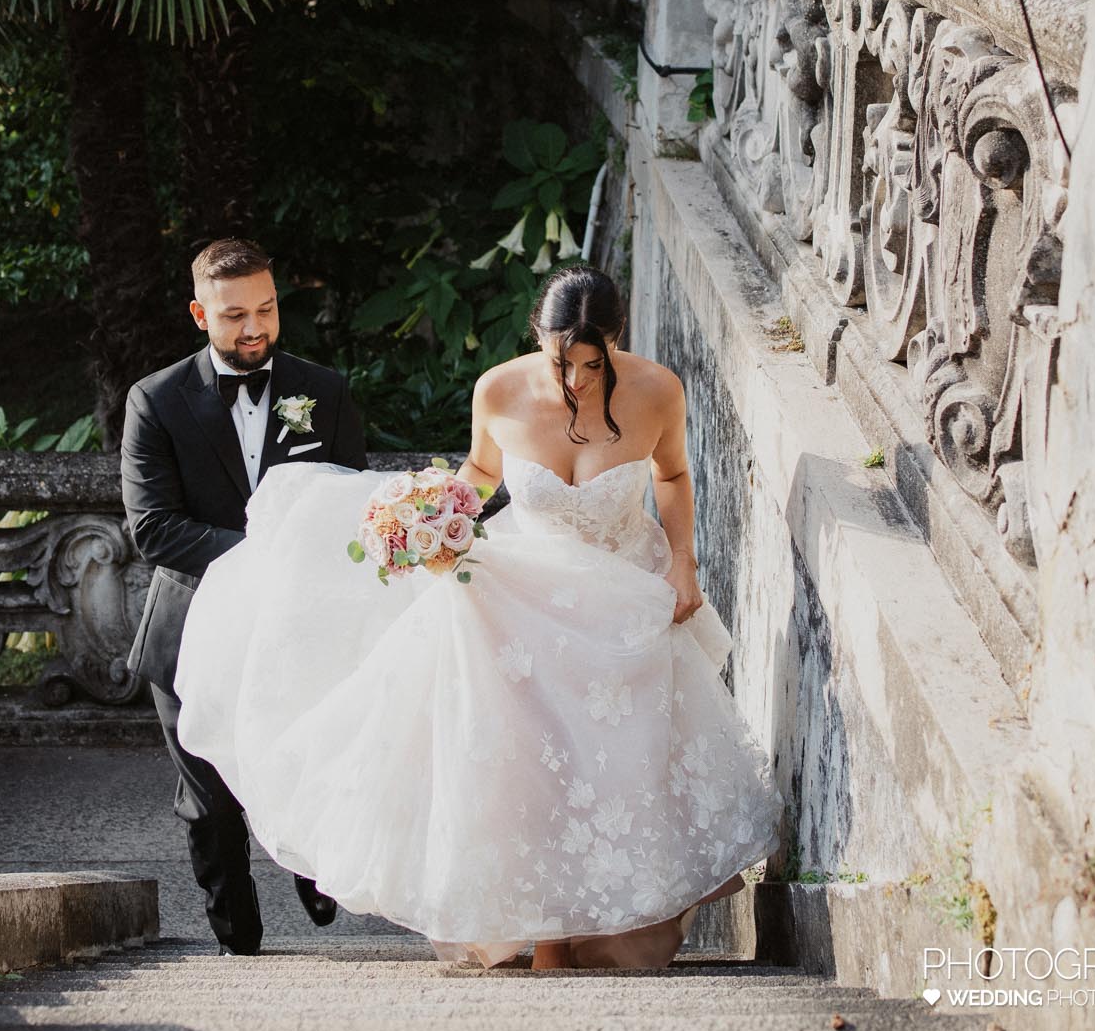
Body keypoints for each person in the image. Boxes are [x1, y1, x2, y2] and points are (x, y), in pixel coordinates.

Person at [174, 264, 782, 969]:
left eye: (593, 362)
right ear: (538, 339)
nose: (577, 380)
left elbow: (672, 476)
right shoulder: (497, 389)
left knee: (614, 768)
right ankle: (543, 929)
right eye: (562, 361)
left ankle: (603, 922)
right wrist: (429, 516)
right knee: (532, 766)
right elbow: (481, 474)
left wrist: (685, 562)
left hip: (622, 604)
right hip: (521, 600)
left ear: (616, 342)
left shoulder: (657, 390)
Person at [120, 238, 369, 955]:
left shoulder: (325, 391)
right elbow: (155, 528)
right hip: (190, 628)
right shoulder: (157, 401)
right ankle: (240, 948)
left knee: (312, 758)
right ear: (201, 313)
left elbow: (346, 505)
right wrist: (271, 554)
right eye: (234, 315)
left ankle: (312, 869)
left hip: (301, 627)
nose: (253, 327)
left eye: (265, 309)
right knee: (211, 800)